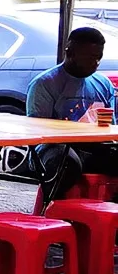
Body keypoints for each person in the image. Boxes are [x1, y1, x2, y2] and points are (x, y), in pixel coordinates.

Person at [27, 26, 118, 200]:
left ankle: (110, 214)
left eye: (99, 57)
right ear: (70, 53)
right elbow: (38, 133)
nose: (96, 63)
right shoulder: (45, 84)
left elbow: (109, 128)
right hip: (53, 148)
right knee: (66, 163)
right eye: (90, 57)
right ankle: (54, 211)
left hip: (95, 148)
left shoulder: (103, 83)